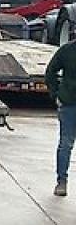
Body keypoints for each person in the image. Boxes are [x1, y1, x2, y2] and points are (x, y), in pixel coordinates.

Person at [45, 36, 76, 196]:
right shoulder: (66, 51)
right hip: (69, 104)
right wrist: (56, 94)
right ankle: (61, 181)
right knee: (66, 144)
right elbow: (50, 71)